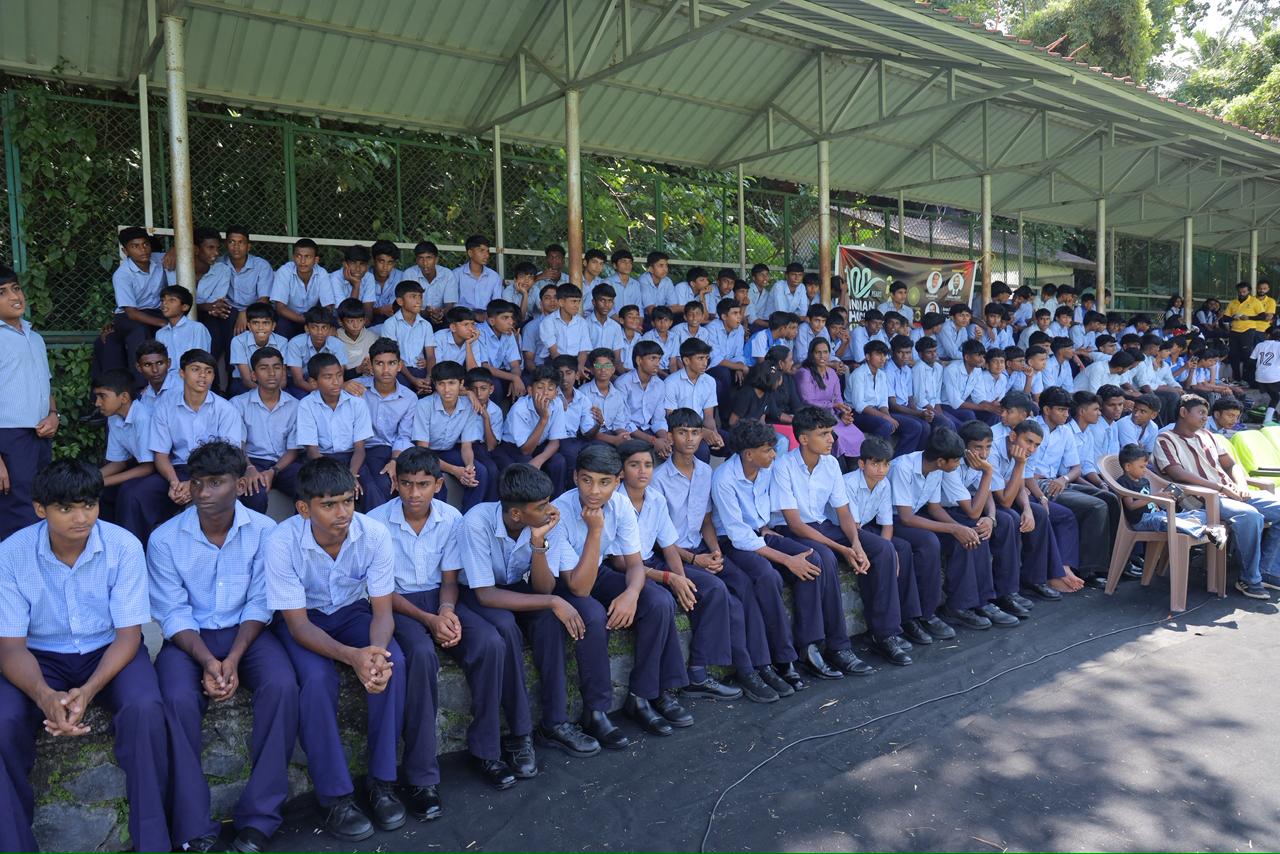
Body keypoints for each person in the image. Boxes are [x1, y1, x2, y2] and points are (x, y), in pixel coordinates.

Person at [0, 460, 169, 852]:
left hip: (109, 651)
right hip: (38, 656)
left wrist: (88, 691)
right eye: (66, 508)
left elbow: (129, 636)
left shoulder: (123, 546)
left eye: (89, 505)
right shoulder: (11, 554)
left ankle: (154, 843)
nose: (82, 518)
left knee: (145, 709)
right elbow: (10, 647)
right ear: (40, 509)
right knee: (3, 721)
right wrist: (45, 695)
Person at [147, 442, 298, 854]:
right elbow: (172, 611)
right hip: (189, 639)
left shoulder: (265, 532)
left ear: (239, 483)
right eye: (197, 482)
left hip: (248, 634)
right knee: (175, 698)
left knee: (282, 686)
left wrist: (231, 658)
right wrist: (207, 660)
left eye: (216, 482)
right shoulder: (164, 539)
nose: (203, 492)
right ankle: (192, 826)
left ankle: (260, 818)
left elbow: (261, 602)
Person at [370, 447, 533, 797]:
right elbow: (381, 593)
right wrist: (429, 620)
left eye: (423, 484)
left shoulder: (451, 518)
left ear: (439, 485)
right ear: (396, 483)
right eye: (406, 483)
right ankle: (421, 775)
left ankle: (486, 751)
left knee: (490, 642)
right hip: (397, 605)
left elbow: (448, 580)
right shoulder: (375, 523)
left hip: (440, 598)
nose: (414, 493)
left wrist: (445, 611)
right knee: (420, 655)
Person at [264, 458, 407, 841]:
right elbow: (298, 626)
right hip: (304, 621)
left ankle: (382, 782)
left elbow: (382, 612)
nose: (342, 513)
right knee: (315, 679)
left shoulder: (373, 534)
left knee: (393, 662)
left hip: (352, 612)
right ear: (303, 508)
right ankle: (335, 797)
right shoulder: (281, 542)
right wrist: (352, 658)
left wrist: (374, 653)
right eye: (329, 505)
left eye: (347, 501)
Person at [459, 464, 623, 754]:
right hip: (477, 592)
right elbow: (485, 594)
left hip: (518, 587)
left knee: (549, 621)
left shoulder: (548, 522)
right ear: (516, 514)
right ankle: (519, 733)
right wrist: (554, 601)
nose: (550, 510)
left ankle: (554, 723)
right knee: (507, 627)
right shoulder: (477, 522)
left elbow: (544, 588)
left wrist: (538, 544)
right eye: (541, 506)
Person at [552, 445, 691, 735]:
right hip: (562, 581)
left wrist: (631, 595)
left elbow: (635, 564)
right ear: (575, 477)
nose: (594, 491)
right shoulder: (559, 511)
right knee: (592, 615)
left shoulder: (620, 504)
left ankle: (641, 696)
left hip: (596, 570)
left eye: (604, 482)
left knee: (658, 600)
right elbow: (579, 587)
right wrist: (595, 530)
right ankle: (596, 710)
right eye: (587, 480)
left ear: (617, 482)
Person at [651, 410, 781, 701]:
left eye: (695, 432)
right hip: (672, 555)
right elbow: (659, 540)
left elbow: (707, 520)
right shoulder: (658, 479)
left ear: (703, 435)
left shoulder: (705, 472)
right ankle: (731, 671)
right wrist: (694, 560)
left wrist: (715, 551)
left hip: (701, 548)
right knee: (722, 595)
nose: (689, 439)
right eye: (682, 432)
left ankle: (762, 664)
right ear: (670, 436)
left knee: (744, 583)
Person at [713, 419, 845, 693]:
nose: (774, 455)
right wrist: (785, 559)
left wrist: (770, 533)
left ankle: (809, 646)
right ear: (749, 454)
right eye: (768, 450)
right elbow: (738, 535)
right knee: (767, 576)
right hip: (733, 541)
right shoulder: (724, 479)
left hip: (762, 532)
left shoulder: (766, 470)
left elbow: (768, 514)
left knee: (812, 558)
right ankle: (784, 660)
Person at [771, 407, 899, 669]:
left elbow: (843, 513)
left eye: (831, 432)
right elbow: (795, 523)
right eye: (824, 434)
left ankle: (884, 634)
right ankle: (836, 646)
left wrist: (855, 543)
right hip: (791, 529)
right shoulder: (783, 466)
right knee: (826, 558)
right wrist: (843, 549)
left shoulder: (830, 464)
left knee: (883, 549)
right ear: (803, 439)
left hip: (822, 525)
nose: (832, 439)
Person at [1155, 394, 1280, 598]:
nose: (1205, 417)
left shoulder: (1207, 435)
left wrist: (1241, 485)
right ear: (1183, 412)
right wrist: (1221, 488)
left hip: (1230, 492)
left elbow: (1231, 465)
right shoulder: (1165, 440)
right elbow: (1177, 473)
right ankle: (1249, 579)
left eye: (1206, 413)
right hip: (1203, 499)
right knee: (1250, 516)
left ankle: (1268, 571)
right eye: (1201, 413)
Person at [117, 349, 244, 543]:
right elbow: (161, 455)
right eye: (196, 369)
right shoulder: (165, 407)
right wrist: (174, 483)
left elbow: (228, 458)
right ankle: (134, 552)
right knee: (132, 493)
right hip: (177, 470)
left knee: (235, 493)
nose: (203, 376)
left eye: (209, 371)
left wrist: (193, 483)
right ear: (182, 373)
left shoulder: (226, 410)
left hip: (215, 472)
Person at [888, 427, 1009, 630]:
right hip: (890, 520)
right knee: (929, 542)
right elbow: (906, 518)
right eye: (956, 460)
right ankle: (926, 614)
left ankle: (966, 604)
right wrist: (953, 529)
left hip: (915, 515)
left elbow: (934, 508)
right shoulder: (903, 467)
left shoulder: (936, 468)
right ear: (941, 461)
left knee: (972, 531)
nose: (959, 464)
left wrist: (959, 528)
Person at [840, 436, 950, 651]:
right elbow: (853, 527)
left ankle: (908, 618)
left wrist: (890, 548)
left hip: (864, 528)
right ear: (861, 463)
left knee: (903, 548)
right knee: (884, 553)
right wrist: (887, 550)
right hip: (844, 531)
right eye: (875, 464)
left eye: (885, 464)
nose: (881, 470)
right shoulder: (849, 484)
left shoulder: (883, 484)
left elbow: (887, 525)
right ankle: (882, 633)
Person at [1025, 387, 1116, 588]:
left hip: (1057, 482)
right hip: (1035, 484)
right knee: (1096, 506)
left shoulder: (1065, 431)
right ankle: (1089, 569)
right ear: (1046, 410)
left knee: (1109, 498)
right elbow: (1025, 469)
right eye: (1061, 410)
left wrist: (1064, 479)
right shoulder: (1031, 427)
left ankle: (1113, 562)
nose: (1066, 415)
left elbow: (1076, 468)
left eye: (1067, 410)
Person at [0, 266, 57, 541]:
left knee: (41, 503)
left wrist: (54, 414)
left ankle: (37, 563)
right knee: (17, 511)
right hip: (8, 438)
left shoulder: (35, 338)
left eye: (16, 288)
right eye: (2, 292)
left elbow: (45, 384)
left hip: (40, 435)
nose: (14, 297)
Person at [413, 360, 495, 509]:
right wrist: (455, 470)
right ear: (435, 385)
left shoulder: (469, 406)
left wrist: (469, 466)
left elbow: (466, 447)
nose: (447, 389)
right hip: (425, 453)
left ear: (461, 384)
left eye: (452, 383)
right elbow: (423, 450)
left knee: (480, 472)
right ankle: (442, 518)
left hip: (448, 451)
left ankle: (469, 516)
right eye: (441, 384)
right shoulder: (424, 406)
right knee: (436, 480)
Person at [1115, 443, 1228, 548]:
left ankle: (1204, 527)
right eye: (1141, 467)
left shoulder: (1144, 481)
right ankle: (1208, 531)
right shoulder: (1124, 482)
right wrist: (1155, 497)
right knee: (1168, 521)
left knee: (1201, 513)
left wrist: (1162, 498)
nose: (1145, 470)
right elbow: (1131, 506)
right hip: (1141, 521)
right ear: (1128, 467)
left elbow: (1150, 503)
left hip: (1157, 514)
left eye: (1145, 466)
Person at [232, 347, 301, 516]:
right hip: (251, 461)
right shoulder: (238, 404)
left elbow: (293, 450)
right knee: (254, 492)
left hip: (284, 464)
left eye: (277, 367)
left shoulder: (296, 405)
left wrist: (273, 471)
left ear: (283, 371)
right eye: (264, 368)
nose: (271, 373)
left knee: (308, 485)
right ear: (253, 375)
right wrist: (249, 468)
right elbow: (237, 445)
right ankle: (255, 533)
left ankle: (300, 531)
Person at [295, 354, 372, 502]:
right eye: (328, 377)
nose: (336, 382)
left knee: (369, 491)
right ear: (314, 382)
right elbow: (312, 451)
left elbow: (360, 449)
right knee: (314, 493)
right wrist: (338, 475)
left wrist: (351, 474)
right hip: (320, 461)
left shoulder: (357, 403)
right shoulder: (306, 405)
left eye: (339, 375)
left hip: (352, 459)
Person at [355, 338, 416, 510]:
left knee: (386, 483)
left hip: (388, 450)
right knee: (375, 485)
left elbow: (404, 436)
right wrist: (344, 386)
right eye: (379, 363)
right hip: (356, 449)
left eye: (391, 363)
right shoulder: (356, 388)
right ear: (370, 365)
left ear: (400, 365)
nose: (386, 370)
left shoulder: (409, 397)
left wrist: (395, 461)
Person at [498, 365, 569, 494]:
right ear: (530, 390)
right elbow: (526, 450)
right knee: (526, 466)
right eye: (540, 387)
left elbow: (555, 442)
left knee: (558, 461)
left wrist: (540, 459)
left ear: (555, 393)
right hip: (514, 447)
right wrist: (543, 419)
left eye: (550, 388)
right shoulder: (519, 409)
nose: (545, 392)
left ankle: (556, 501)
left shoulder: (557, 403)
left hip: (539, 444)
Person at [796, 338, 865, 459]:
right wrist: (833, 405)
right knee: (839, 438)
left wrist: (843, 413)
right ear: (811, 354)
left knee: (858, 436)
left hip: (832, 417)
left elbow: (838, 399)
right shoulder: (804, 372)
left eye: (825, 352)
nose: (822, 356)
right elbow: (807, 400)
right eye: (818, 352)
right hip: (813, 418)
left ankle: (854, 469)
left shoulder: (832, 373)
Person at [664, 337, 726, 462]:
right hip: (681, 431)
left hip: (701, 428)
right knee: (702, 450)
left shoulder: (709, 381)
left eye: (706, 358)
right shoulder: (671, 382)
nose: (705, 363)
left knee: (733, 442)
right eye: (700, 358)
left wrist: (714, 433)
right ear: (686, 360)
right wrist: (702, 432)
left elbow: (708, 416)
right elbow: (672, 418)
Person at [617, 340, 672, 460]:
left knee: (671, 450)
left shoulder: (659, 384)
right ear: (639, 360)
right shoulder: (623, 383)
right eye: (652, 358)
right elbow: (623, 421)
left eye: (659, 359)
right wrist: (653, 441)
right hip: (627, 432)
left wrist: (664, 440)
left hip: (648, 429)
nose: (657, 364)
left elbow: (658, 419)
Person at [378, 280, 434, 395]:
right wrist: (413, 380)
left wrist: (429, 377)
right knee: (402, 389)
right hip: (400, 371)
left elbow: (431, 356)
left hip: (421, 370)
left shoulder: (426, 325)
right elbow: (393, 356)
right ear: (400, 301)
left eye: (420, 296)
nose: (418, 301)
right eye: (413, 296)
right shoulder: (390, 324)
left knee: (434, 387)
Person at [284, 306, 349, 399]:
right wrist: (316, 390)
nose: (320, 332)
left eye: (324, 328)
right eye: (314, 327)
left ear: (330, 330)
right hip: (302, 383)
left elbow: (339, 376)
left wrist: (323, 388)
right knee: (303, 398)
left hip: (328, 382)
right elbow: (298, 380)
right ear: (307, 328)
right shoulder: (295, 343)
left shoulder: (338, 345)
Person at [269, 238, 329, 339]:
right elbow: (280, 308)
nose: (302, 261)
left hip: (313, 319)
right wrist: (304, 320)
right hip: (289, 317)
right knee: (281, 325)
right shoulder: (284, 271)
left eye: (307, 257)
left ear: (316, 260)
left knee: (330, 326)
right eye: (298, 256)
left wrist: (315, 322)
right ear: (293, 257)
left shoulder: (322, 273)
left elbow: (328, 306)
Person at [222, 227, 275, 334]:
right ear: (226, 244)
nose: (236, 247)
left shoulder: (261, 265)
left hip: (256, 308)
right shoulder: (219, 264)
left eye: (241, 242)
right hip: (229, 309)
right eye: (231, 242)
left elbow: (264, 299)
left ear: (248, 247)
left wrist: (244, 312)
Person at [228, 302, 288, 395]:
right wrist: (266, 393)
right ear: (249, 326)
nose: (260, 328)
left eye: (266, 323)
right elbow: (247, 379)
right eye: (255, 323)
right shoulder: (238, 341)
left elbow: (283, 379)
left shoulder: (282, 341)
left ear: (273, 326)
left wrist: (272, 392)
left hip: (273, 384)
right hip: (244, 384)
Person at [154, 285, 213, 374]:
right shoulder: (160, 333)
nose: (164, 304)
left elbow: (200, 360)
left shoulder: (197, 328)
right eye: (162, 300)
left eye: (171, 300)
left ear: (184, 307)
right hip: (169, 380)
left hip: (192, 378)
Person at [539, 284, 592, 376]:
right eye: (573, 301)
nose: (577, 305)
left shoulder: (582, 322)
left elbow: (583, 350)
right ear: (561, 302)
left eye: (578, 302)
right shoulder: (548, 322)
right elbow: (554, 352)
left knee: (588, 373)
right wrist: (570, 371)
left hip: (578, 361)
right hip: (555, 360)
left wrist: (579, 367)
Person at [478, 299, 525, 403]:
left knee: (523, 384)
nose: (511, 322)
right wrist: (514, 378)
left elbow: (515, 364)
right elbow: (485, 367)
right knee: (496, 386)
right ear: (492, 321)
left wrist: (515, 379)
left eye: (511, 317)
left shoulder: (508, 333)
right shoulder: (479, 332)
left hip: (499, 372)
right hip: (481, 374)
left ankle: (515, 413)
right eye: (505, 318)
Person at [402, 241, 457, 327]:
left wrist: (440, 313)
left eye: (429, 258)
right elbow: (407, 304)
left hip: (442, 317)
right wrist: (425, 313)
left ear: (436, 259)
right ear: (416, 260)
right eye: (421, 258)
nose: (425, 263)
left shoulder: (447, 274)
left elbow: (449, 304)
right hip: (416, 316)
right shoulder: (409, 274)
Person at [453, 236, 502, 320]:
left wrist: (487, 316)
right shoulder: (456, 274)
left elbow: (496, 304)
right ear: (470, 253)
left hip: (487, 319)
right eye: (482, 250)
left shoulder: (494, 276)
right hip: (462, 318)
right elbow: (452, 304)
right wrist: (473, 316)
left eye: (487, 251)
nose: (486, 255)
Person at [426, 306, 482, 374]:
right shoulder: (439, 337)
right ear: (453, 327)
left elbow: (474, 372)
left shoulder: (472, 340)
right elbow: (437, 370)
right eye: (466, 324)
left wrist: (468, 344)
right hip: (442, 377)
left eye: (472, 324)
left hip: (458, 377)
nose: (471, 328)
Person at [1251, 325, 1280, 423]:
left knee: (1275, 397)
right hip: (1274, 377)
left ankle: (1269, 419)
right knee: (1276, 397)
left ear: (1267, 335)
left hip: (1260, 376)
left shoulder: (1260, 345)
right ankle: (1267, 420)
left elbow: (1251, 360)